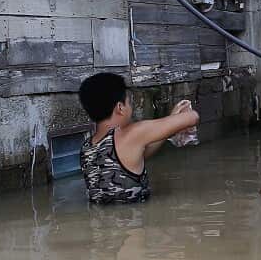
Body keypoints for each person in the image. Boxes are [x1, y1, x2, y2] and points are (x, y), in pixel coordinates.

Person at [78, 72, 200, 203]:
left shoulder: (86, 148)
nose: (131, 107)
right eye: (129, 102)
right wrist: (177, 117)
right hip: (135, 219)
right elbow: (193, 117)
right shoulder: (132, 133)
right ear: (120, 107)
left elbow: (136, 156)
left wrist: (169, 126)